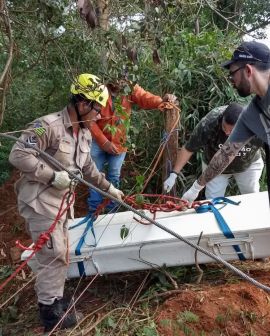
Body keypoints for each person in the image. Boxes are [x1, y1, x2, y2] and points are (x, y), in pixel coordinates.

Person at [9, 73, 124, 332]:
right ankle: (50, 314)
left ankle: (56, 298)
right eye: (97, 109)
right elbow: (18, 154)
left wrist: (109, 189)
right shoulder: (45, 126)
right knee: (53, 254)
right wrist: (51, 176)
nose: (99, 116)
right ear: (83, 103)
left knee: (59, 253)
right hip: (40, 202)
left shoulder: (84, 133)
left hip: (62, 204)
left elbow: (90, 168)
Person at [180, 41, 270, 204]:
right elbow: (225, 154)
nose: (231, 80)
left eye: (232, 73)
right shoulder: (251, 115)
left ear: (248, 70)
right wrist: (195, 188)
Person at [88, 78, 177, 214]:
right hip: (98, 140)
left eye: (124, 78)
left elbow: (144, 97)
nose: (120, 82)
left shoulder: (129, 88)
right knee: (94, 175)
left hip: (119, 142)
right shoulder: (98, 89)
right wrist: (104, 142)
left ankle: (112, 210)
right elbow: (90, 120)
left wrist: (161, 101)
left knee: (114, 175)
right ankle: (93, 211)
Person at [163, 103, 263, 198]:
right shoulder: (210, 121)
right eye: (224, 128)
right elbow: (189, 147)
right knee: (212, 199)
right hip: (213, 167)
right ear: (222, 118)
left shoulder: (257, 127)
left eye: (232, 131)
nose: (227, 133)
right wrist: (174, 174)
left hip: (248, 165)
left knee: (252, 196)